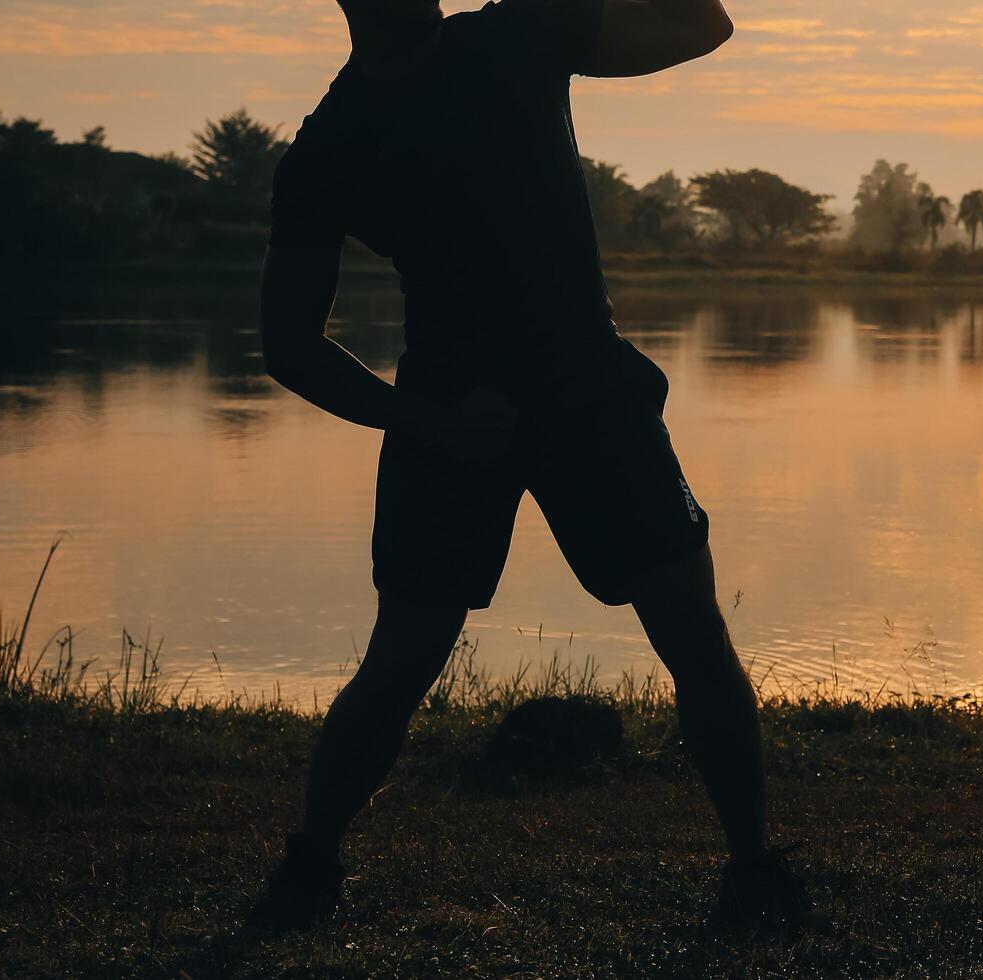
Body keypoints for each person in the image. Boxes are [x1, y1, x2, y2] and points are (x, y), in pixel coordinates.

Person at [249, 0, 814, 933]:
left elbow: (702, 24)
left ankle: (755, 872)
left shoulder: (516, 36)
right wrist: (428, 424)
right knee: (403, 659)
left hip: (588, 394)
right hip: (453, 413)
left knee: (690, 629)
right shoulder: (331, 145)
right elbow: (288, 345)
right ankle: (308, 869)